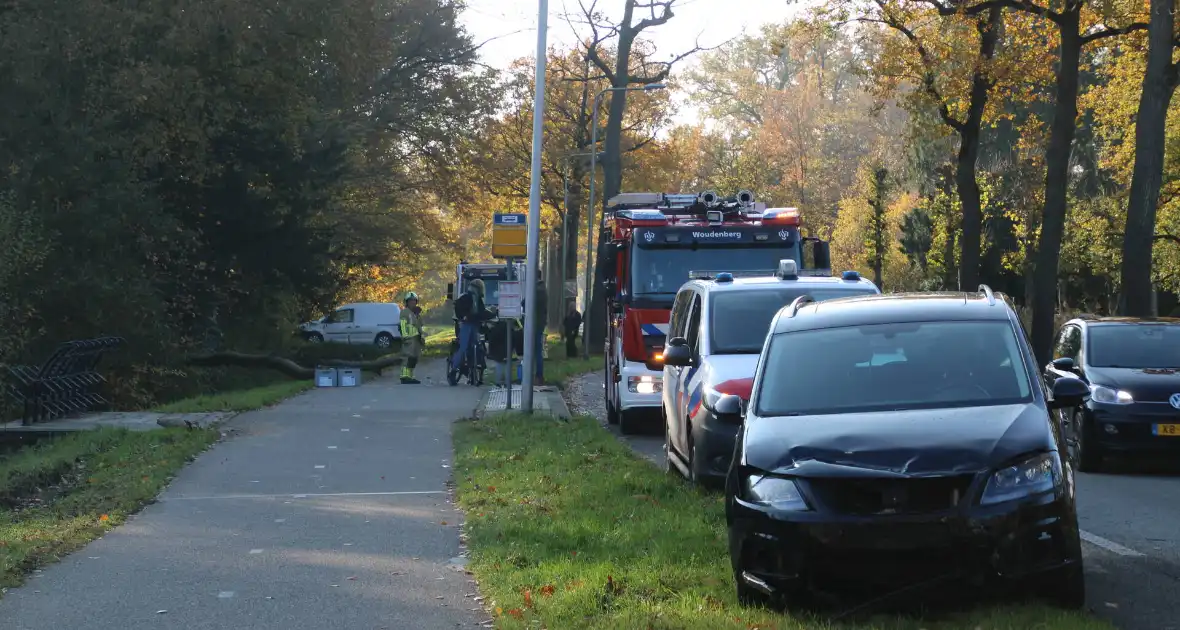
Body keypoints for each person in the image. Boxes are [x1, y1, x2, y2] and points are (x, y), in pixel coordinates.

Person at [450, 278, 496, 383]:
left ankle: (473, 370)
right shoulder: (466, 298)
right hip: (465, 325)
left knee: (476, 346)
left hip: (474, 325)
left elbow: (482, 312)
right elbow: (459, 309)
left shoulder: (478, 299)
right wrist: (464, 316)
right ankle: (453, 370)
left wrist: (493, 314)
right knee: (464, 347)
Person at [521, 280, 548, 384]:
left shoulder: (535, 291)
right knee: (538, 350)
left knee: (532, 350)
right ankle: (539, 376)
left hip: (533, 324)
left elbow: (524, 302)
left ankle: (532, 376)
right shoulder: (543, 291)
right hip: (540, 323)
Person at [485, 316, 523, 388]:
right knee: (507, 366)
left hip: (497, 351)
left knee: (499, 365)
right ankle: (507, 383)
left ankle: (498, 382)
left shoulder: (495, 328)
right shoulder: (510, 328)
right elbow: (514, 340)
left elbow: (491, 340)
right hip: (507, 349)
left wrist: (490, 352)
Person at [399, 292, 424, 384]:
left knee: (414, 358)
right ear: (407, 302)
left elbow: (420, 326)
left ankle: (410, 376)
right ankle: (404, 376)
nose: (412, 303)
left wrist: (422, 337)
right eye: (410, 301)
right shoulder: (405, 312)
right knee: (407, 357)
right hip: (409, 338)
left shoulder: (416, 314)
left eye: (414, 301)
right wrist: (405, 336)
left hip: (416, 339)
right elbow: (402, 324)